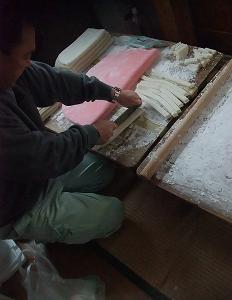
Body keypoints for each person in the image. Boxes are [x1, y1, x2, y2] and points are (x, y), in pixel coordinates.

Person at [0, 1, 141, 243]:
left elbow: (53, 80)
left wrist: (113, 93)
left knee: (103, 170)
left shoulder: (12, 71)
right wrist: (91, 134)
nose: (28, 63)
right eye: (24, 56)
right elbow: (39, 157)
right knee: (113, 213)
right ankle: (24, 228)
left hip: (34, 171)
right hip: (15, 204)